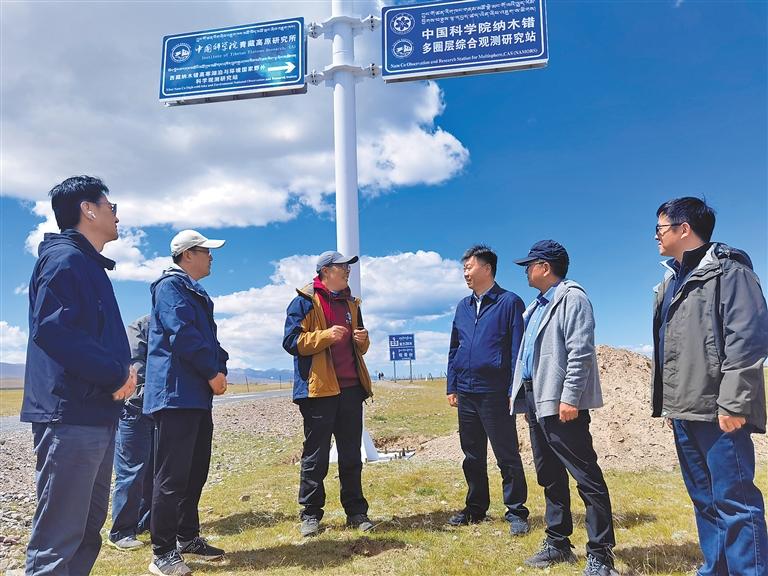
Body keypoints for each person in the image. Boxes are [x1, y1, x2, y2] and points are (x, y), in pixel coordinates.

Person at [20, 175, 136, 575]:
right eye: (111, 207)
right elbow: (53, 330)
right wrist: (116, 374)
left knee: (86, 530)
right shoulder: (64, 260)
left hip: (93, 413)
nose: (116, 216)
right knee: (59, 537)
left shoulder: (87, 264)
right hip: (69, 415)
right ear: (88, 210)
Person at [651, 197, 768, 576]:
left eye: (659, 228)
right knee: (704, 501)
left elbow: (748, 338)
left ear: (684, 228)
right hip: (685, 409)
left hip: (720, 411)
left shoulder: (730, 272)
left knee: (736, 502)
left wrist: (734, 402)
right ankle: (714, 569)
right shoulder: (671, 282)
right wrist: (671, 404)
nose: (655, 236)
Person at [511, 240, 618, 576]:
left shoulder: (572, 298)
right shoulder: (537, 306)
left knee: (586, 476)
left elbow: (580, 351)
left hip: (561, 403)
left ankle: (601, 554)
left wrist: (570, 397)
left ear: (545, 267)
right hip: (537, 399)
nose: (526, 271)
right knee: (550, 475)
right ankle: (558, 543)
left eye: (529, 265)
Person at [143, 230, 229, 576]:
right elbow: (183, 334)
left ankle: (187, 537)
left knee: (195, 471)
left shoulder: (194, 291)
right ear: (188, 254)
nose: (211, 256)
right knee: (172, 476)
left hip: (195, 396)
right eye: (206, 251)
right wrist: (211, 371)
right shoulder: (170, 287)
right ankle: (162, 552)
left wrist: (221, 367)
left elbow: (210, 339)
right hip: (175, 394)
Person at [282, 251, 374, 537]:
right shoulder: (304, 301)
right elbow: (291, 341)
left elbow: (360, 347)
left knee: (351, 455)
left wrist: (363, 340)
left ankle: (356, 512)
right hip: (318, 391)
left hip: (351, 390)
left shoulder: (352, 303)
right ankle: (310, 514)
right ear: (325, 271)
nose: (347, 271)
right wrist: (325, 336)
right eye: (342, 267)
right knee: (316, 456)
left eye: (348, 267)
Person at [446, 245, 529, 536]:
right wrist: (452, 384)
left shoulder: (509, 302)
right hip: (466, 391)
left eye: (469, 267)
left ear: (487, 268)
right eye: (464, 269)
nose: (465, 273)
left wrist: (513, 389)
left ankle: (516, 512)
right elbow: (454, 347)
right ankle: (475, 508)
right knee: (472, 455)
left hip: (495, 392)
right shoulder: (462, 307)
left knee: (506, 454)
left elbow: (517, 349)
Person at [109, 314, 155, 550]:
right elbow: (136, 368)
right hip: (134, 409)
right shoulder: (140, 326)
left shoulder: (170, 324)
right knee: (131, 471)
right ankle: (121, 532)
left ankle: (145, 522)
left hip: (156, 410)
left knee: (152, 470)